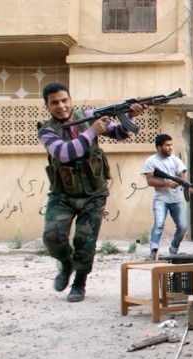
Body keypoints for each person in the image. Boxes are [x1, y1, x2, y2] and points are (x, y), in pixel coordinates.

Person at [38, 82, 146, 302]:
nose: (61, 106)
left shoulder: (89, 116)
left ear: (70, 100)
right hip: (62, 195)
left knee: (85, 242)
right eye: (55, 103)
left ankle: (79, 282)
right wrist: (91, 132)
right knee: (52, 237)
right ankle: (66, 264)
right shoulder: (47, 130)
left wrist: (131, 116)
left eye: (64, 100)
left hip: (93, 194)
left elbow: (120, 133)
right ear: (47, 106)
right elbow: (64, 153)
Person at [142, 134, 188, 260]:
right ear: (159, 147)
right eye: (167, 145)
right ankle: (153, 251)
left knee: (183, 227)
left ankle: (173, 249)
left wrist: (179, 182)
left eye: (171, 145)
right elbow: (150, 181)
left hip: (176, 200)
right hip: (161, 199)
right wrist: (167, 183)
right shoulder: (151, 161)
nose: (170, 147)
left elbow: (182, 175)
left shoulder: (175, 160)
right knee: (159, 224)